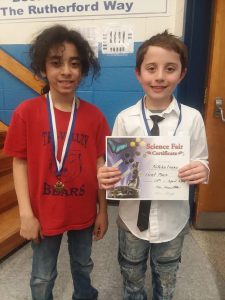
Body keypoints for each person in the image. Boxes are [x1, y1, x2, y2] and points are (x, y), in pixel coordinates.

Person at [97, 30, 209, 300]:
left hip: (173, 219)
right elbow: (117, 169)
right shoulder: (126, 118)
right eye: (151, 68)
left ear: (181, 74)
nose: (160, 76)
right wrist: (107, 175)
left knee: (167, 274)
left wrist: (202, 170)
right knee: (131, 271)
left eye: (170, 69)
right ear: (138, 73)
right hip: (131, 218)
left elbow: (202, 160)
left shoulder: (192, 119)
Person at [4, 24, 110, 300]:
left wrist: (103, 210)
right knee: (42, 275)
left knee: (83, 266)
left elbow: (102, 165)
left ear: (83, 70)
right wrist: (25, 214)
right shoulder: (26, 113)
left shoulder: (95, 116)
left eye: (74, 64)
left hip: (83, 212)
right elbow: (20, 164)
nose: (66, 71)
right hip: (43, 213)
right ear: (43, 68)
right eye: (56, 63)